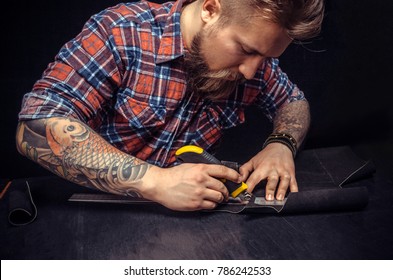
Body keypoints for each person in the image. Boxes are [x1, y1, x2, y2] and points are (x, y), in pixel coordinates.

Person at [16, 0, 324, 211]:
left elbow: (293, 102)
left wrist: (281, 144)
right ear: (210, 9)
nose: (251, 72)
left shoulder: (255, 65)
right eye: (245, 49)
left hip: (194, 228)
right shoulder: (121, 32)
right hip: (98, 214)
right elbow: (35, 128)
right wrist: (155, 181)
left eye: (267, 59)